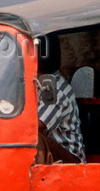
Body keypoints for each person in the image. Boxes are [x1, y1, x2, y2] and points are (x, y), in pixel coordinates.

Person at [35, 35, 86, 164]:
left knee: (34, 138)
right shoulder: (36, 85)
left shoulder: (55, 88)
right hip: (54, 156)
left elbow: (35, 126)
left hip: (71, 161)